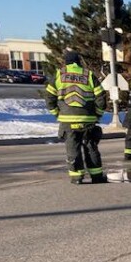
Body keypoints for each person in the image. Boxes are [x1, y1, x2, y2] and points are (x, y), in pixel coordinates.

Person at [44, 50, 107, 184]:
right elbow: (101, 97)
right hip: (88, 120)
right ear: (78, 62)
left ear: (66, 62)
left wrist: (56, 113)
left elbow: (49, 96)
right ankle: (96, 176)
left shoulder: (59, 75)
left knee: (72, 148)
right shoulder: (88, 75)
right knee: (91, 148)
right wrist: (98, 114)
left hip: (67, 120)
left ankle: (77, 177)